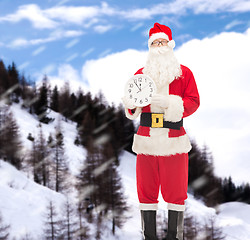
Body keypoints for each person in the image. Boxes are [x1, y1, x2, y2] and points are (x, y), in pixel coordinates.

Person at [123, 23, 200, 240]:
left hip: (174, 140)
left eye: (162, 42)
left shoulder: (184, 73)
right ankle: (149, 236)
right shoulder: (140, 74)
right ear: (150, 47)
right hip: (146, 139)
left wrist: (169, 103)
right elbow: (132, 105)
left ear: (170, 45)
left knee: (175, 193)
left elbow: (194, 101)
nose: (159, 46)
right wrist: (131, 103)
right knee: (146, 191)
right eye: (155, 43)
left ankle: (174, 237)